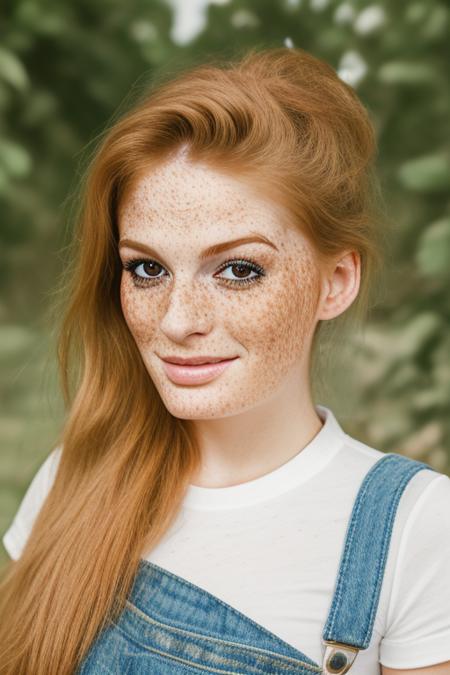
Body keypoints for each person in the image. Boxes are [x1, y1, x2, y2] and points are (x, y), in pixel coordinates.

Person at [0, 46, 449, 675]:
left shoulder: (417, 528)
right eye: (147, 269)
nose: (178, 320)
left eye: (238, 270)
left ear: (335, 282)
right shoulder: (75, 477)